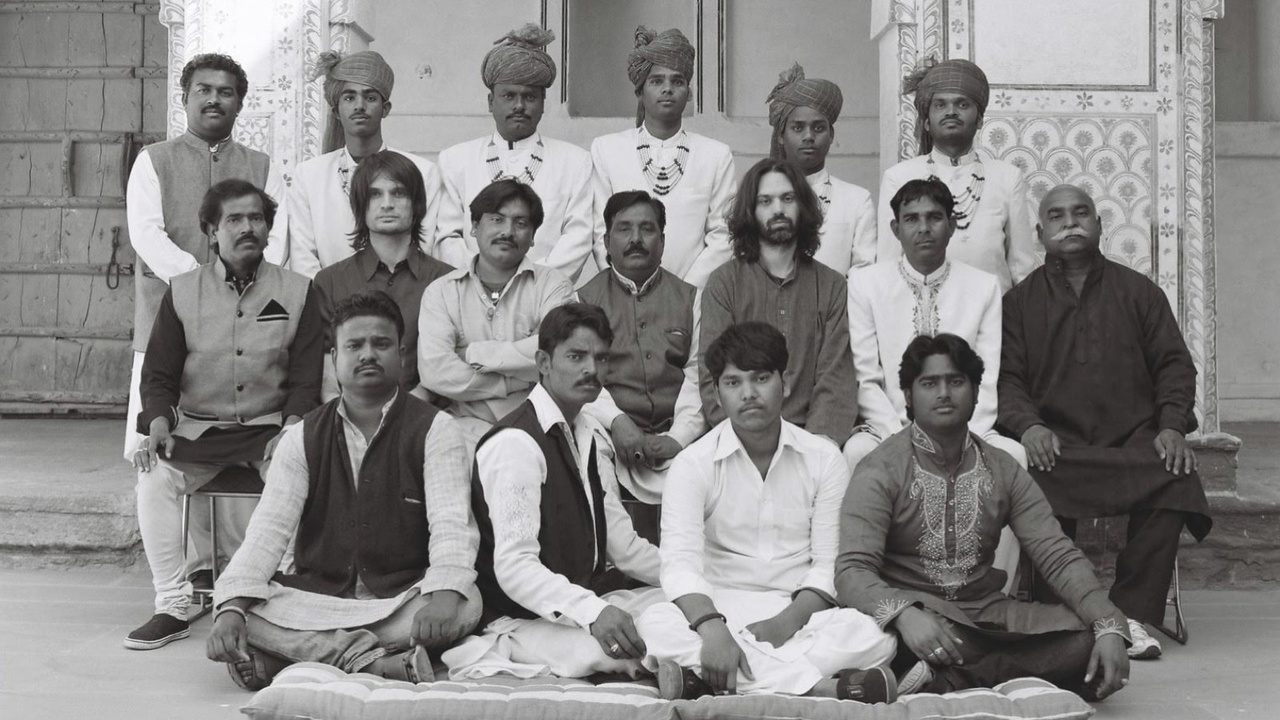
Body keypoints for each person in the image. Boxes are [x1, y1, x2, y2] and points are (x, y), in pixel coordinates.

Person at [206, 292, 480, 690]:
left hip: (400, 599)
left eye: (381, 344)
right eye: (354, 345)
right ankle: (369, 663)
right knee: (242, 611)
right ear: (334, 358)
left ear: (402, 356)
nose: (368, 354)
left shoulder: (436, 429)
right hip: (319, 599)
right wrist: (231, 609)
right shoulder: (301, 437)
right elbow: (266, 533)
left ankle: (293, 656)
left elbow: (451, 524)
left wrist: (443, 595)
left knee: (466, 602)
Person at [836, 334, 1131, 700]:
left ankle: (945, 681)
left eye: (956, 381)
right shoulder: (880, 469)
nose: (944, 393)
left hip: (988, 614)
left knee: (1085, 639)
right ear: (908, 397)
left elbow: (1056, 554)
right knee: (885, 639)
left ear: (976, 393)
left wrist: (1107, 623)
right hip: (918, 619)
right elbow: (852, 570)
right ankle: (998, 675)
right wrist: (906, 615)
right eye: (929, 383)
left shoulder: (1002, 468)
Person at [998, 184, 1213, 661]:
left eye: (1081, 213)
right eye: (1057, 216)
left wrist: (1171, 426)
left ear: (1099, 225)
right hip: (1057, 444)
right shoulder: (1019, 303)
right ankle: (1065, 613)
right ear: (1040, 232)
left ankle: (1132, 614)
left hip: (1135, 439)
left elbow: (1174, 366)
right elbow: (1007, 379)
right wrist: (1028, 426)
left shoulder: (1140, 292)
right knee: (1027, 478)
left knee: (1175, 474)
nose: (1070, 222)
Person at [637, 322, 897, 702]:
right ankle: (823, 687)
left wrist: (783, 625)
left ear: (784, 383)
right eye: (733, 382)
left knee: (875, 634)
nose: (748, 394)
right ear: (717, 393)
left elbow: (829, 564)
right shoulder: (693, 464)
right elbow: (679, 566)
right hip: (718, 607)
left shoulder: (823, 458)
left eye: (760, 378)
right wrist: (714, 630)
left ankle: (709, 679)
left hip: (799, 609)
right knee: (655, 623)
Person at [126, 179, 322, 651]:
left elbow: (306, 378)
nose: (247, 227)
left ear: (268, 228)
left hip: (269, 429)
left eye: (256, 218)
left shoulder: (298, 291)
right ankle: (172, 604)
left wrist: (293, 428)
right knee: (152, 476)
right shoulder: (182, 291)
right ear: (212, 232)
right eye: (234, 219)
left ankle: (276, 596)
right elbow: (159, 376)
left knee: (298, 471)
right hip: (199, 429)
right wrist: (158, 425)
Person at [443, 303, 664, 680]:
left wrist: (694, 578)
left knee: (685, 606)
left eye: (601, 358)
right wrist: (593, 612)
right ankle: (672, 669)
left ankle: (679, 664)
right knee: (619, 647)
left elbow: (624, 548)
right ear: (543, 362)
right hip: (519, 619)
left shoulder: (587, 432)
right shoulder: (516, 443)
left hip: (579, 606)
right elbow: (515, 568)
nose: (591, 369)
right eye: (576, 356)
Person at [124, 52, 288, 460]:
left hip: (246, 309)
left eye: (225, 92)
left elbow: (278, 237)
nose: (214, 99)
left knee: (240, 437)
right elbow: (146, 234)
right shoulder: (153, 161)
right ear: (185, 98)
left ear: (240, 104)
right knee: (157, 444)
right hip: (165, 306)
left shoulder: (262, 166)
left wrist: (238, 281)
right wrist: (202, 280)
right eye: (204, 90)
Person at [845, 178, 1025, 469]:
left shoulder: (983, 287)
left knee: (1013, 454)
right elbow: (865, 377)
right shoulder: (866, 284)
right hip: (888, 426)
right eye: (911, 219)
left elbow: (986, 377)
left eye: (934, 218)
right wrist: (900, 438)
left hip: (965, 426)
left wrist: (962, 438)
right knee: (857, 451)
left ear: (951, 226)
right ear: (896, 229)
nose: (924, 228)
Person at [698, 158, 859, 467]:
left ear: (803, 207)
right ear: (750, 210)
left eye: (788, 198)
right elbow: (713, 375)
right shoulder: (724, 283)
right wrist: (749, 445)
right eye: (765, 201)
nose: (778, 210)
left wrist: (815, 451)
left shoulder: (831, 286)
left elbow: (836, 379)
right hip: (740, 442)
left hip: (812, 442)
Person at [577, 191, 704, 541]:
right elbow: (582, 375)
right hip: (608, 431)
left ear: (662, 241)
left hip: (678, 429)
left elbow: (699, 373)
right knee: (588, 448)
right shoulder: (582, 300)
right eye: (624, 229)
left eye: (647, 229)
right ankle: (613, 554)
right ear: (606, 241)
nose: (636, 239)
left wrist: (679, 437)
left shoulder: (692, 299)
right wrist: (617, 422)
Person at [417, 180, 575, 449]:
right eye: (497, 220)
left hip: (538, 426)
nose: (507, 232)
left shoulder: (554, 286)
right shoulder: (441, 292)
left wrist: (474, 354)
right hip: (462, 428)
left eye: (520, 223)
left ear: (533, 236)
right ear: (474, 227)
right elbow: (435, 372)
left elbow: (559, 355)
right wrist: (513, 380)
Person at [434, 24, 594, 283]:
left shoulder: (575, 162)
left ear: (543, 103)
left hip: (544, 293)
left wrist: (530, 283)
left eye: (529, 97)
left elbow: (578, 237)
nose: (519, 106)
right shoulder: (455, 161)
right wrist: (482, 280)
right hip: (471, 291)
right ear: (491, 102)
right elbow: (446, 238)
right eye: (508, 96)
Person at [589, 27, 736, 288]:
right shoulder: (607, 149)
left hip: (692, 296)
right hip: (621, 294)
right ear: (639, 92)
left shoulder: (715, 155)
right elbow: (601, 230)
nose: (667, 89)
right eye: (657, 81)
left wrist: (685, 292)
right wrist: (623, 287)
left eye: (677, 82)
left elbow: (723, 234)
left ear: (689, 93)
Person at [877, 58, 1037, 292]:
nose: (951, 112)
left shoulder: (1007, 177)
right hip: (923, 310)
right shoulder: (899, 177)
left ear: (980, 119)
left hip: (995, 310)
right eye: (940, 105)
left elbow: (1022, 269)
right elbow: (889, 264)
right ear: (926, 122)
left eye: (962, 104)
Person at [288, 51, 443, 278]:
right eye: (349, 98)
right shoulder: (309, 175)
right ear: (336, 111)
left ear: (386, 109)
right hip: (327, 297)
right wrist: (330, 295)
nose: (359, 106)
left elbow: (424, 246)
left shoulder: (422, 171)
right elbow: (302, 257)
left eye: (370, 98)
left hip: (403, 294)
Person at [313, 151, 453, 400]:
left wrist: (400, 414)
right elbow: (327, 374)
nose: (387, 204)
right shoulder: (329, 282)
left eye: (398, 193)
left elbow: (446, 368)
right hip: (346, 416)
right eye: (375, 194)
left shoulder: (446, 281)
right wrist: (348, 417)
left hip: (425, 414)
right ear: (360, 205)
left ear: (416, 204)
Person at [767, 63, 876, 275]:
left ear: (831, 135)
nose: (809, 136)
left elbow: (864, 273)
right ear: (780, 136)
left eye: (818, 128)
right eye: (798, 128)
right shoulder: (758, 197)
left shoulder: (857, 200)